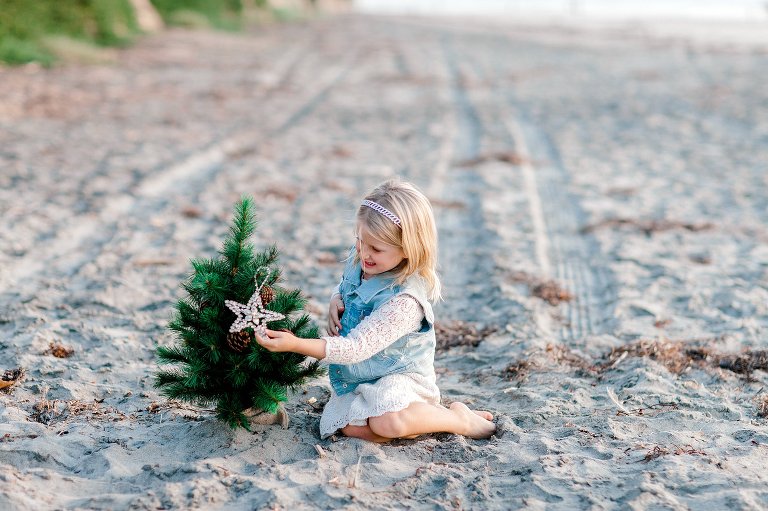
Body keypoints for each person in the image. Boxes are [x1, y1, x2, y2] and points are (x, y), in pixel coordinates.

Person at [256, 179, 496, 442]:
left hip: (400, 380)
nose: (364, 253)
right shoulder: (364, 257)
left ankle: (457, 419)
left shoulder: (404, 302)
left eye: (376, 249)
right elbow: (347, 282)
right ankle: (424, 417)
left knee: (388, 423)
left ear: (408, 249)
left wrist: (296, 344)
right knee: (351, 429)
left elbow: (357, 347)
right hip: (361, 381)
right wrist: (336, 296)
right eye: (360, 241)